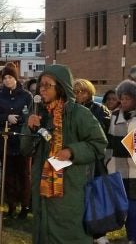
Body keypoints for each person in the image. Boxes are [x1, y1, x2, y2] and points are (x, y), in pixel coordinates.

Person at [20, 64, 108, 244]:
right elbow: (25, 150)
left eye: (47, 85)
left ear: (60, 87)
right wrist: (29, 128)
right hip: (42, 188)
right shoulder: (37, 113)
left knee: (69, 232)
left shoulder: (79, 114)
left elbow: (99, 144)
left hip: (70, 188)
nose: (42, 89)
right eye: (40, 85)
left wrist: (72, 151)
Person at [0, 65, 32, 219]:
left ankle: (25, 205)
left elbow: (30, 115)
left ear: (16, 78)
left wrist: (20, 119)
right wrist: (6, 117)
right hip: (5, 141)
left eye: (10, 77)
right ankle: (11, 205)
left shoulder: (26, 95)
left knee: (24, 174)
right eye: (5, 78)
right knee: (8, 175)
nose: (7, 80)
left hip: (22, 140)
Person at [73, 78, 111, 244]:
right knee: (78, 196)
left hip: (94, 160)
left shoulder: (99, 109)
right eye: (76, 91)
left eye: (83, 91)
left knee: (96, 195)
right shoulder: (71, 110)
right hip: (76, 158)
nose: (80, 94)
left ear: (90, 92)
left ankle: (99, 233)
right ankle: (80, 229)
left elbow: (101, 133)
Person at [107, 79, 136, 244]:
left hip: (134, 170)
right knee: (120, 204)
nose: (124, 102)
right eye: (122, 98)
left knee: (133, 206)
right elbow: (109, 142)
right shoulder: (114, 116)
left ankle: (133, 236)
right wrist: (107, 161)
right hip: (116, 168)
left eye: (128, 98)